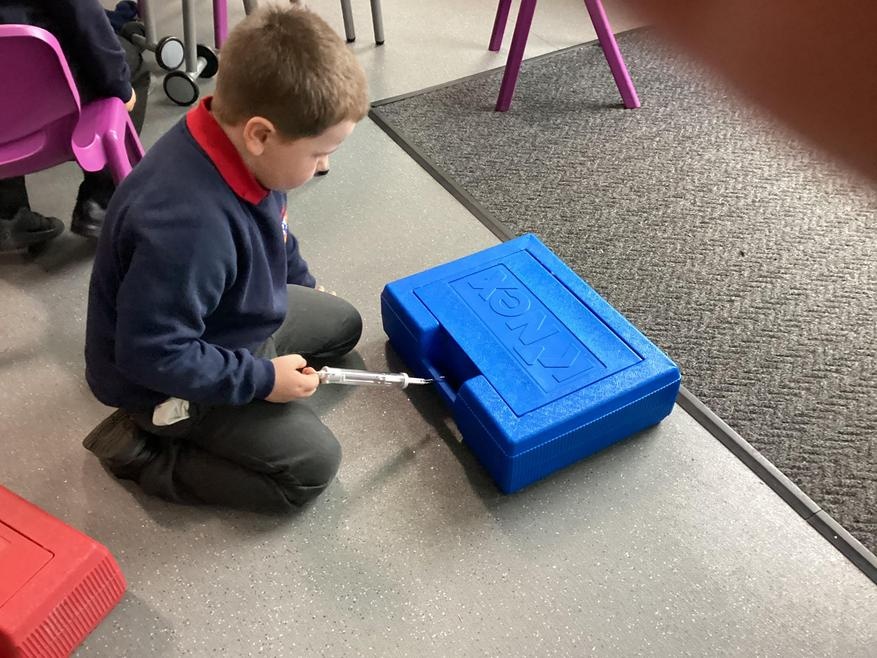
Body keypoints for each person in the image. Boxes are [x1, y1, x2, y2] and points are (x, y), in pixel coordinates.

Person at [82, 2, 369, 512]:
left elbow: (277, 232)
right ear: (260, 134)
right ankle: (145, 454)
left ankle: (254, 364)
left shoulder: (242, 146)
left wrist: (301, 282)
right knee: (311, 467)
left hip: (229, 321)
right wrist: (263, 381)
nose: (324, 165)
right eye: (318, 153)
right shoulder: (189, 229)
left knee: (344, 323)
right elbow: (151, 354)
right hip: (161, 379)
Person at [0, 0, 150, 252]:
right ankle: (102, 199)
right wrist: (120, 85)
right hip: (45, 98)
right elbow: (84, 15)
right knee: (129, 65)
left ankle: (6, 213)